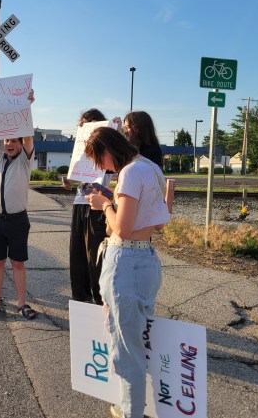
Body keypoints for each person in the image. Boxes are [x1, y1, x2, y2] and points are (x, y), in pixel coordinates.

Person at [84, 126, 170, 418]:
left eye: (99, 160)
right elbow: (159, 223)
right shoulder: (151, 168)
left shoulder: (130, 173)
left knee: (126, 347)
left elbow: (120, 227)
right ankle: (129, 404)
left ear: (108, 150)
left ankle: (131, 412)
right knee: (136, 339)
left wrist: (104, 204)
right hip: (147, 259)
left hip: (126, 260)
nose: (100, 167)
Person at [0, 90, 37, 320]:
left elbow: (29, 136)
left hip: (18, 220)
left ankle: (22, 303)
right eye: (7, 140)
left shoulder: (25, 158)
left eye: (14, 140)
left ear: (21, 143)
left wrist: (27, 106)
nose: (10, 143)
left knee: (18, 264)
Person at [62, 108, 110, 305]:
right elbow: (80, 176)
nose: (79, 126)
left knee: (95, 259)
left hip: (97, 207)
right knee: (78, 256)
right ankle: (81, 302)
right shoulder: (82, 147)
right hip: (80, 204)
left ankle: (101, 304)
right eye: (79, 124)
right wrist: (69, 181)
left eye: (83, 124)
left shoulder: (106, 145)